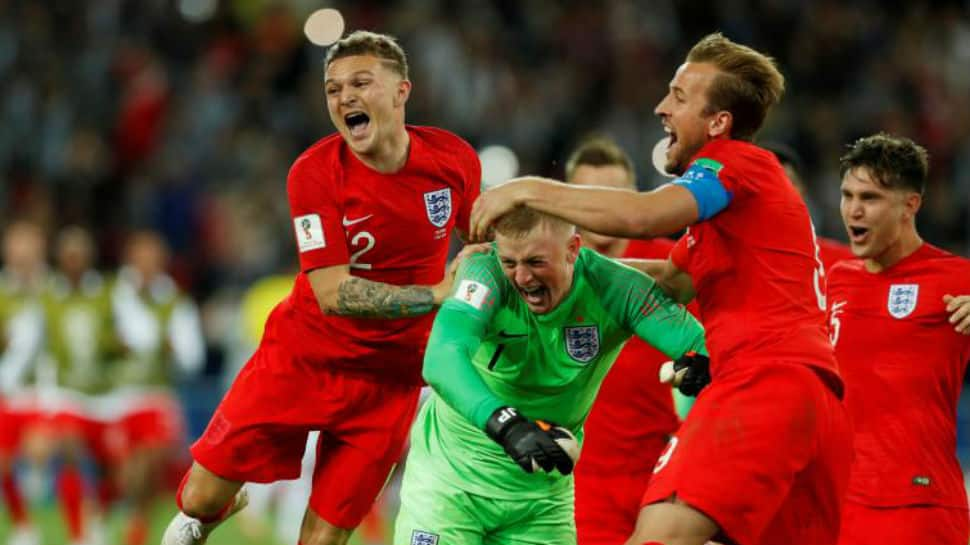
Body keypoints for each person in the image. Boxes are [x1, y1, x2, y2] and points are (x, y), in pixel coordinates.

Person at [470, 32, 851, 545]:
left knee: (660, 537)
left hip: (764, 380)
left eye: (678, 96)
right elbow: (668, 280)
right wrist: (554, 266)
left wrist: (527, 189)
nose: (661, 107)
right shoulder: (731, 220)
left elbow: (644, 215)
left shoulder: (734, 162)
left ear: (718, 122)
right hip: (814, 398)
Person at [162, 30, 481, 545]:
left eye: (360, 83)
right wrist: (435, 295)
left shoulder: (453, 160)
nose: (344, 97)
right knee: (198, 501)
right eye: (333, 89)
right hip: (303, 359)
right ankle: (226, 502)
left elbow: (482, 247)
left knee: (323, 541)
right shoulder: (313, 174)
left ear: (402, 91)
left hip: (389, 379)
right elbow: (333, 293)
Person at [394, 205, 707, 545]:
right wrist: (507, 424)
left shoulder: (613, 288)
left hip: (542, 501)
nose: (522, 278)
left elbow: (700, 343)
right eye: (510, 262)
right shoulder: (484, 273)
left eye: (535, 262)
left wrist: (703, 362)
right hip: (449, 487)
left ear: (573, 250)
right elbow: (442, 357)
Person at [827, 134, 970, 545]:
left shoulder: (955, 278)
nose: (853, 210)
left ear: (910, 205)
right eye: (847, 194)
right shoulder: (837, 280)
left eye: (870, 198)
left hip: (919, 505)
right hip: (839, 502)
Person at [562, 137, 692, 545]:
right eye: (588, 197)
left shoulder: (671, 273)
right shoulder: (549, 275)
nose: (604, 210)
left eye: (615, 197)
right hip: (578, 485)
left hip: (661, 481)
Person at [112, 230, 205, 545]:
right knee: (123, 472)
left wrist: (170, 349)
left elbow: (193, 356)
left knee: (151, 456)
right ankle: (114, 513)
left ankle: (137, 526)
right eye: (141, 256)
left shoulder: (174, 301)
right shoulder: (111, 294)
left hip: (155, 394)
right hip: (112, 396)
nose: (147, 264)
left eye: (153, 257)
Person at [35, 226, 123, 545]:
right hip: (65, 392)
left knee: (114, 472)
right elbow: (37, 344)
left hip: (104, 397)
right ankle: (77, 535)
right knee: (70, 451)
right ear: (60, 258)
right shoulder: (47, 296)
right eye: (69, 254)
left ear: (89, 258)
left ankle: (97, 517)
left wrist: (118, 345)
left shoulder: (107, 293)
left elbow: (125, 337)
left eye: (79, 254)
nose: (74, 260)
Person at [0, 221, 47, 545]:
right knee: (2, 462)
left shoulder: (54, 289)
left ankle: (86, 526)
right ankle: (23, 525)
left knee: (42, 453)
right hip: (8, 388)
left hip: (46, 390)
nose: (21, 252)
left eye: (27, 244)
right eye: (15, 245)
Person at [762, 142, 853, 270]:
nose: (780, 194)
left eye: (789, 183)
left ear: (803, 190)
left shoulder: (845, 263)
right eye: (770, 184)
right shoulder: (733, 263)